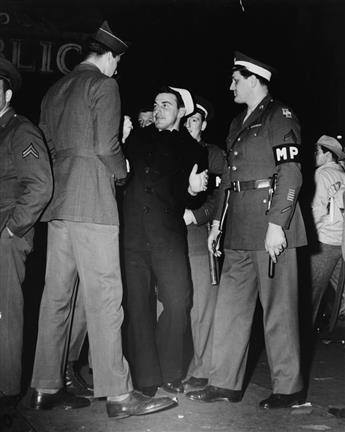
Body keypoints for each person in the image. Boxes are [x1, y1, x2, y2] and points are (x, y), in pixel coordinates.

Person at [29, 21, 175, 418]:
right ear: (110, 56)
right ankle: (118, 394)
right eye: (118, 63)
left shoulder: (54, 89)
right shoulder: (104, 86)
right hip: (93, 204)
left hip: (59, 208)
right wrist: (122, 167)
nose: (117, 71)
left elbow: (46, 144)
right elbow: (104, 145)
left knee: (56, 299)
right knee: (106, 298)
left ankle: (45, 386)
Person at [186, 51, 307, 409]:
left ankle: (289, 389)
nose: (230, 86)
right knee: (230, 308)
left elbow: (291, 173)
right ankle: (224, 382)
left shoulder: (280, 116)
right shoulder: (238, 121)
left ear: (254, 79)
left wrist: (277, 225)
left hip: (270, 225)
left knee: (278, 310)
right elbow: (228, 180)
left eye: (235, 80)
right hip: (238, 227)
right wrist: (217, 225)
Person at [122, 86, 209, 397]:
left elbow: (187, 198)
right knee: (138, 306)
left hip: (167, 237)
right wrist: (118, 141)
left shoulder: (194, 150)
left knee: (177, 301)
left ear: (181, 111)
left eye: (166, 104)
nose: (158, 109)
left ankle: (170, 369)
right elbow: (120, 177)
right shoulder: (135, 138)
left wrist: (195, 191)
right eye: (156, 104)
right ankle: (145, 377)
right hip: (132, 235)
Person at [0, 55, 53, 406]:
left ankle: (6, 392)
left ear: (6, 95)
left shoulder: (21, 130)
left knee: (5, 314)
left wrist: (11, 230)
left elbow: (40, 186)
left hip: (6, 238)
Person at [182, 96, 226, 389]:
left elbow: (222, 195)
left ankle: (203, 369)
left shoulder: (213, 154)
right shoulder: (170, 149)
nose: (189, 125)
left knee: (203, 309)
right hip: (169, 241)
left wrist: (197, 217)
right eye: (186, 119)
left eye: (195, 120)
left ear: (204, 124)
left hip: (199, 238)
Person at [310, 135, 345, 326]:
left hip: (324, 241)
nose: (314, 155)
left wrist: (310, 239)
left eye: (317, 151)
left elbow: (317, 208)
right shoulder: (343, 174)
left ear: (327, 154)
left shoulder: (322, 174)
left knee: (311, 292)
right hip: (342, 242)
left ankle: (302, 337)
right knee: (341, 289)